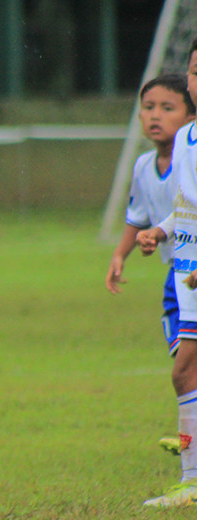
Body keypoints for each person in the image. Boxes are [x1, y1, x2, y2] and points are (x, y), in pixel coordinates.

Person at [106, 74, 195, 459]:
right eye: (148, 107)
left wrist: (160, 232)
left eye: (167, 107)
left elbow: (183, 209)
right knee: (184, 361)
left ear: (190, 115)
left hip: (190, 271)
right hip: (175, 275)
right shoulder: (144, 165)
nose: (155, 116)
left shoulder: (189, 156)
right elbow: (137, 215)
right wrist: (119, 254)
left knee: (185, 369)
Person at [137, 40, 197, 508]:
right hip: (186, 273)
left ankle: (192, 481)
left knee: (184, 372)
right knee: (186, 371)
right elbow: (188, 208)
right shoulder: (187, 140)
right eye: (195, 71)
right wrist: (159, 231)